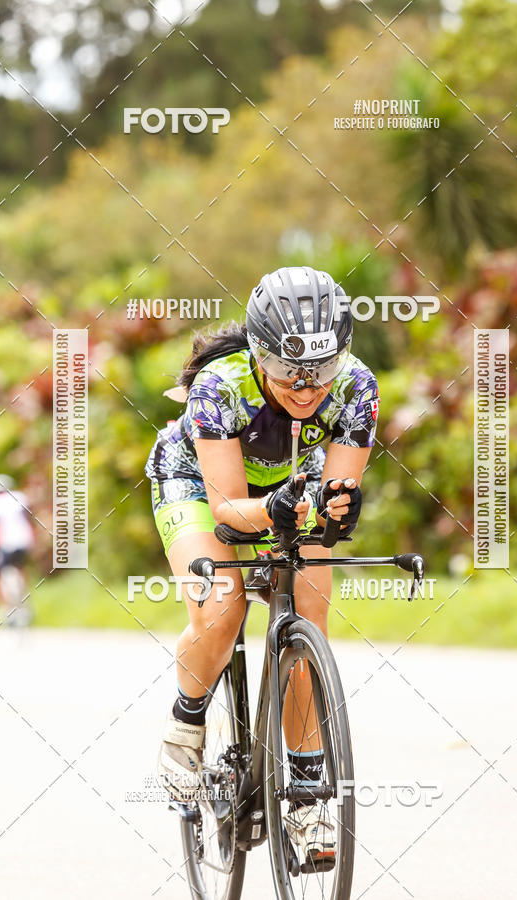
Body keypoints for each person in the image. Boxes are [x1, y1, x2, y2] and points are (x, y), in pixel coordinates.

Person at [145, 265, 379, 867]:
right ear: (258, 353)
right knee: (221, 608)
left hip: (286, 486)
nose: (306, 387)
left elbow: (336, 494)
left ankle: (305, 797)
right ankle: (186, 721)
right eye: (287, 370)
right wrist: (273, 508)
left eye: (321, 369)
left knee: (311, 620)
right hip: (196, 485)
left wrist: (339, 507)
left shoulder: (357, 388)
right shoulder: (221, 387)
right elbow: (224, 509)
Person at [0, 474, 35, 624]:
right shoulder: (20, 497)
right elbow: (29, 519)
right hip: (24, 541)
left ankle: (4, 607)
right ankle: (25, 598)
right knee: (21, 567)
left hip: (3, 544)